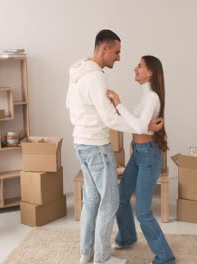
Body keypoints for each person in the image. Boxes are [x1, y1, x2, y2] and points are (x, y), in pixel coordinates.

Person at [66, 30, 164, 264]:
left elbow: (69, 104)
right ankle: (102, 258)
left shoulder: (77, 73)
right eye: (117, 52)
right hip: (98, 146)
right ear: (105, 49)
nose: (119, 58)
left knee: (91, 200)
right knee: (109, 202)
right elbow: (110, 119)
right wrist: (141, 126)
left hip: (80, 142)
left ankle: (86, 254)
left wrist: (130, 117)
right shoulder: (96, 77)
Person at [106, 55, 176, 264]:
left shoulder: (152, 97)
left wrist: (119, 103)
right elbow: (133, 124)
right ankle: (127, 238)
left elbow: (136, 125)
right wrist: (145, 125)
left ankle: (165, 257)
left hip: (147, 154)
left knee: (143, 212)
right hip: (138, 152)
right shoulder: (145, 97)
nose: (134, 68)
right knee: (122, 197)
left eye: (139, 66)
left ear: (150, 72)